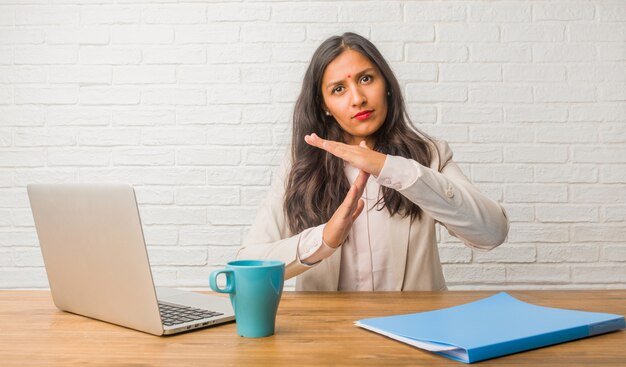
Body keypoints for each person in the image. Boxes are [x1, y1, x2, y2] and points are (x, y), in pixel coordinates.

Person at [236, 32, 509, 291]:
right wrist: (324, 240)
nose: (358, 99)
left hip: (416, 328)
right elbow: (248, 264)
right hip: (328, 334)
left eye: (366, 79)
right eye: (339, 89)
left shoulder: (430, 155)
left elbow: (491, 232)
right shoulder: (301, 167)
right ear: (324, 106)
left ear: (387, 86)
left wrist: (390, 167)